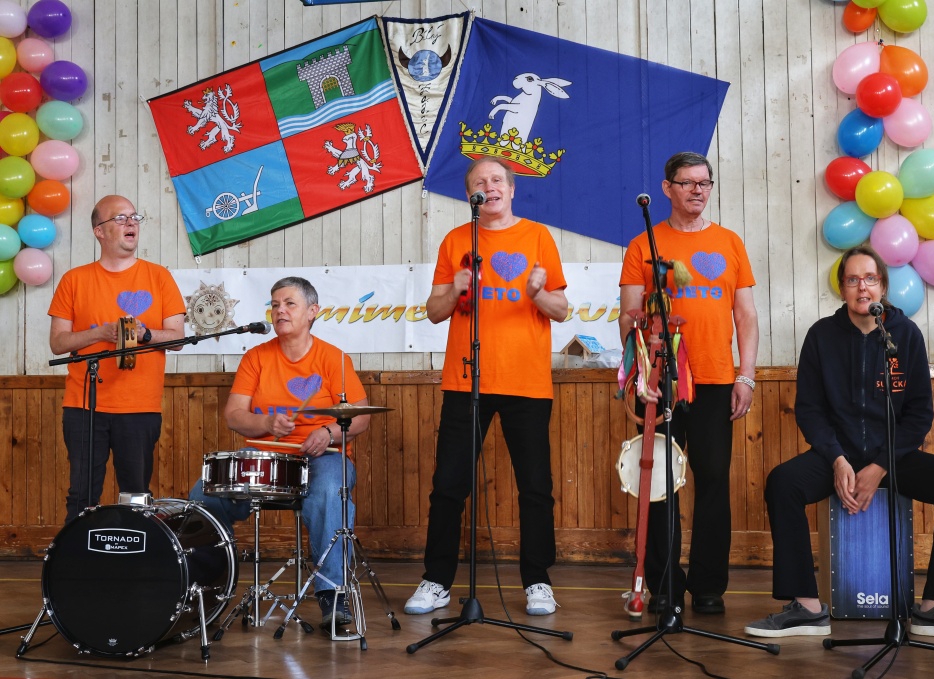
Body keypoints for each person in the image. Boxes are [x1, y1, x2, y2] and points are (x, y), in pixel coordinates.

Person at [744, 246, 934, 642]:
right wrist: (837, 459)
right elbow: (809, 410)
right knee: (783, 483)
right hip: (837, 455)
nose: (862, 287)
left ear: (882, 285)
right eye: (852, 280)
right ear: (842, 288)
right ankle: (806, 608)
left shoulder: (905, 335)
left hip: (894, 457)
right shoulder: (821, 336)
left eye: (870, 279)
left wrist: (881, 465)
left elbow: (919, 415)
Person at [404, 157, 569, 617]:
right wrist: (453, 288)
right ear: (470, 195)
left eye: (498, 180)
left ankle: (538, 581)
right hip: (466, 379)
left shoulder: (538, 237)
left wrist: (537, 293)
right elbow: (434, 312)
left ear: (512, 190)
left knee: (535, 487)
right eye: (481, 182)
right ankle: (437, 580)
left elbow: (561, 309)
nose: (490, 186)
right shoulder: (457, 239)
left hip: (526, 381)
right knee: (448, 486)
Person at [618, 151, 758, 617]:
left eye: (705, 182)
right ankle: (664, 584)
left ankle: (709, 585)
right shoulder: (643, 245)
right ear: (667, 188)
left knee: (713, 481)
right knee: (661, 483)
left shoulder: (730, 243)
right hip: (662, 382)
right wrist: (641, 374)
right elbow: (628, 317)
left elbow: (746, 316)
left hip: (716, 379)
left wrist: (746, 376)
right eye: (688, 182)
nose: (698, 190)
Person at [188, 276, 370, 633]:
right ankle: (209, 588)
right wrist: (267, 422)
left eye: (289, 304)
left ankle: (332, 595)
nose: (280, 311)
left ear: (312, 311)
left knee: (328, 489)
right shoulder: (256, 357)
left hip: (324, 457)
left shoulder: (334, 359)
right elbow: (234, 416)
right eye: (275, 304)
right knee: (204, 495)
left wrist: (327, 433)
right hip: (267, 458)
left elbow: (361, 417)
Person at [49, 195, 186, 524]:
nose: (131, 223)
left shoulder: (160, 277)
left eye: (134, 217)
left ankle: (137, 555)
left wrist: (144, 334)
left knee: (137, 494)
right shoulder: (74, 279)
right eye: (121, 218)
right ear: (99, 231)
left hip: (140, 406)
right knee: (82, 494)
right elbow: (58, 343)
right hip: (84, 405)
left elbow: (179, 338)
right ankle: (77, 555)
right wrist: (100, 334)